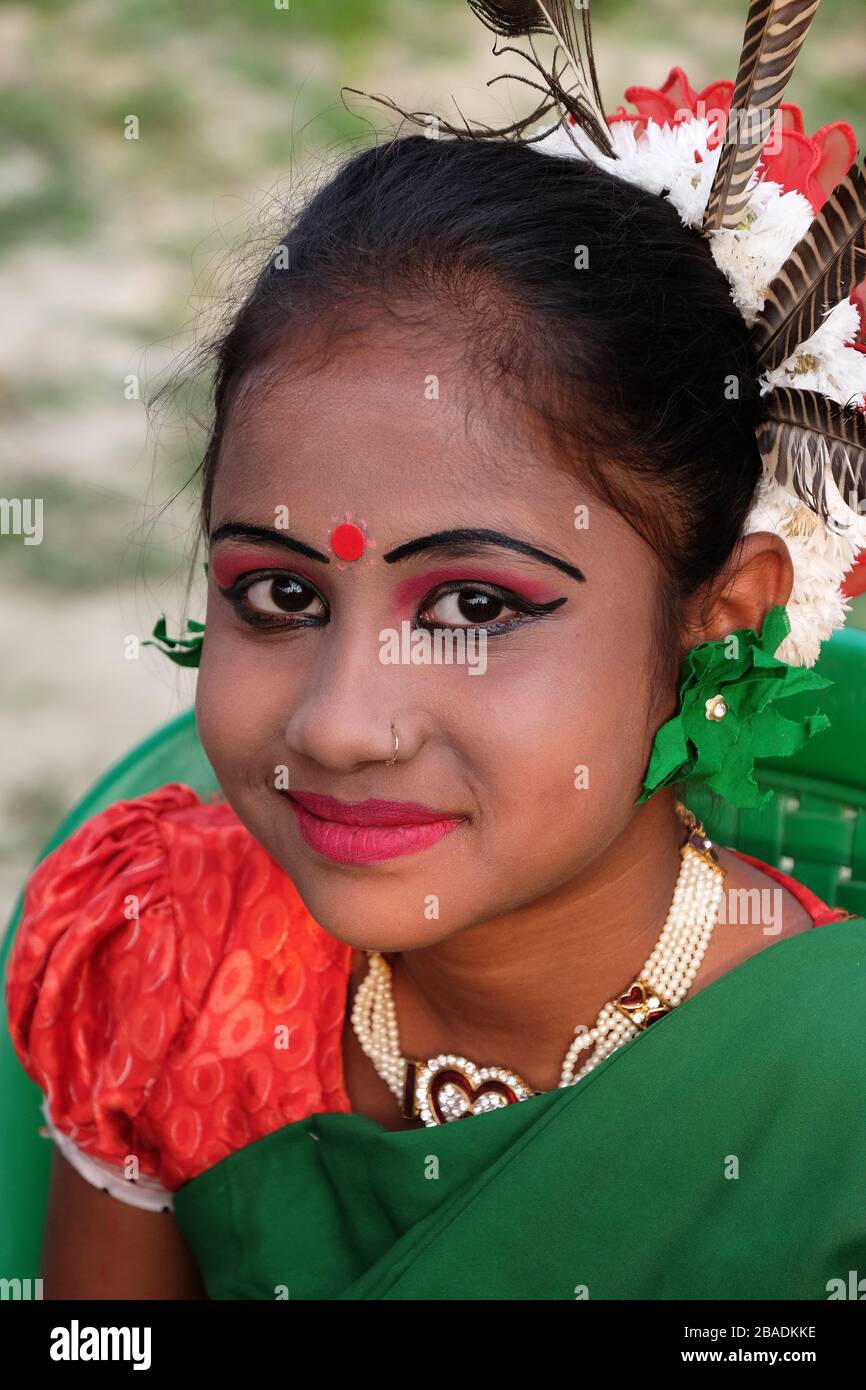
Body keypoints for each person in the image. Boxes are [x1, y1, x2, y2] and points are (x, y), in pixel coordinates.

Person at [5, 0, 866, 1300]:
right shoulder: (173, 958)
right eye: (279, 594)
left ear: (715, 616)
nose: (340, 723)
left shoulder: (828, 1106)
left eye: (474, 607)